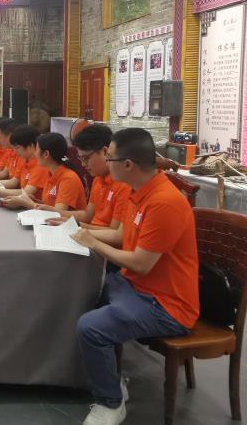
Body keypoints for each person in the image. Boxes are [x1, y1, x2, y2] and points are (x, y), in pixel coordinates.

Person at [71, 128, 199, 425]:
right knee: (79, 296)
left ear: (127, 164)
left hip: (167, 305)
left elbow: (141, 263)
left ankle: (110, 403)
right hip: (134, 287)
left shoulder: (164, 201)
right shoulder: (136, 192)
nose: (106, 162)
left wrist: (93, 243)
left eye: (110, 157)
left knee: (91, 327)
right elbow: (120, 236)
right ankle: (109, 379)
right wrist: (80, 232)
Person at [40, 124, 130, 229]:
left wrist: (77, 225)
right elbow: (87, 215)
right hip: (89, 234)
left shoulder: (123, 184)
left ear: (105, 152)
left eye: (86, 158)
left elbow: (114, 233)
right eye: (81, 159)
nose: (83, 164)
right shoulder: (98, 179)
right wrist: (54, 212)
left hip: (95, 236)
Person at [8, 132, 86, 211]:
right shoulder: (51, 173)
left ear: (46, 154)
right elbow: (49, 205)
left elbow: (58, 212)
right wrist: (34, 201)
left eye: (36, 150)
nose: (35, 154)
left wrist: (27, 203)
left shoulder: (68, 178)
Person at [0, 124, 50, 204]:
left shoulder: (40, 165)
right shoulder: (24, 160)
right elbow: (13, 181)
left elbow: (26, 192)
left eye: (17, 148)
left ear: (31, 146)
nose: (15, 151)